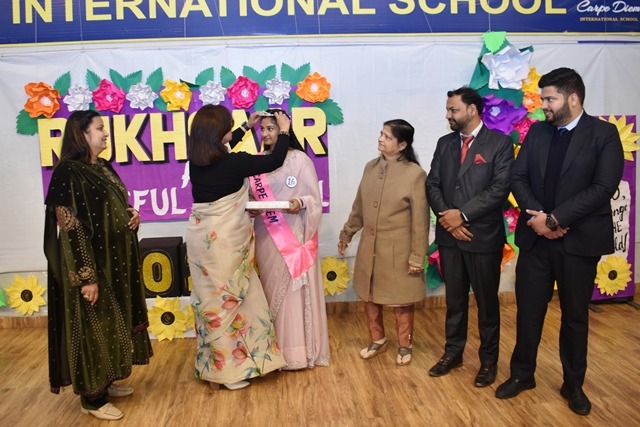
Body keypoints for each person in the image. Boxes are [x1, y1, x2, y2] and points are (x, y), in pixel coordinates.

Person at [495, 68, 624, 415]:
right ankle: (522, 375)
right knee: (529, 312)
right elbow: (518, 177)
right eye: (543, 99)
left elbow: (603, 187)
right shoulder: (538, 132)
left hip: (578, 244)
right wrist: (540, 220)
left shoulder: (604, 134)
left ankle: (573, 384)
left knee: (575, 317)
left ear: (573, 98)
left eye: (550, 99)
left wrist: (555, 220)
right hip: (537, 241)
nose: (544, 105)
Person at [43, 110, 152, 421]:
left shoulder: (102, 166)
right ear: (82, 134)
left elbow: (111, 204)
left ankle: (108, 379)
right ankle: (92, 398)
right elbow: (70, 226)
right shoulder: (68, 172)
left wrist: (131, 212)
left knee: (113, 323)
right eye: (100, 128)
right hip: (92, 266)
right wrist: (86, 277)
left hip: (115, 263)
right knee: (95, 327)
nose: (105, 133)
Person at [186, 105, 287, 391]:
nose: (232, 130)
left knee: (211, 304)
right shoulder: (234, 163)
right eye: (229, 126)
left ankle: (212, 368)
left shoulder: (197, 162)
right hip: (225, 246)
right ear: (220, 133)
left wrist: (246, 127)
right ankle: (229, 373)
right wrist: (284, 131)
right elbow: (275, 160)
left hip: (201, 243)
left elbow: (223, 150)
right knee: (229, 305)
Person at [426, 87, 513, 387]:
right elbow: (432, 184)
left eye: (453, 110)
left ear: (472, 110)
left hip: (482, 236)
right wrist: (449, 219)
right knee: (454, 301)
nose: (448, 115)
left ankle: (488, 362)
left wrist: (461, 215)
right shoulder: (445, 143)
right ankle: (453, 353)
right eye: (448, 110)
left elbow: (499, 189)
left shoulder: (499, 143)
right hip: (450, 237)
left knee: (487, 304)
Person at [338, 119, 428, 366]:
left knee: (401, 301)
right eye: (381, 134)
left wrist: (417, 257)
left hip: (399, 251)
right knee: (370, 297)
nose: (380, 139)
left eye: (387, 137)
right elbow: (359, 207)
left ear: (402, 145)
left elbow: (421, 221)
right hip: (370, 247)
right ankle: (377, 340)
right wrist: (347, 234)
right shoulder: (370, 167)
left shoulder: (415, 174)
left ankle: (405, 344)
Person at [249, 109, 330, 370]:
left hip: (293, 233)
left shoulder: (300, 160)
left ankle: (296, 352)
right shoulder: (258, 162)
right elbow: (248, 195)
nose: (266, 134)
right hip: (267, 234)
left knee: (293, 294)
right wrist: (251, 207)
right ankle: (272, 353)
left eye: (271, 128)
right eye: (263, 129)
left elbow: (314, 199)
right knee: (270, 289)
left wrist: (299, 202)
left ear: (284, 129)